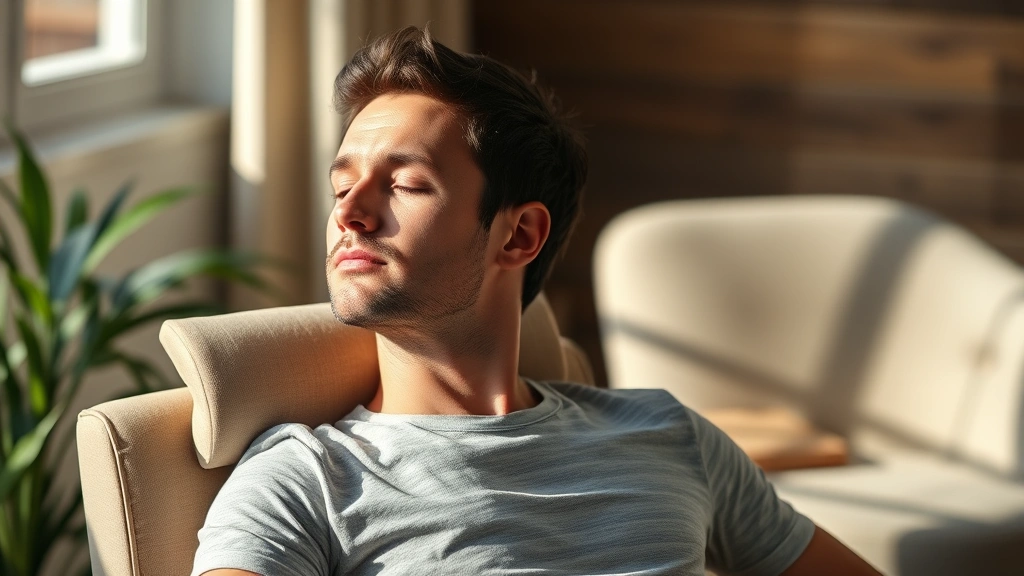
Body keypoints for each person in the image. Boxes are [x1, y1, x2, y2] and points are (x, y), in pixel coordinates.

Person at [193, 26, 881, 576]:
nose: (352, 214)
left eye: (403, 184)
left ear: (518, 234)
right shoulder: (307, 480)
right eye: (342, 187)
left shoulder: (670, 437)